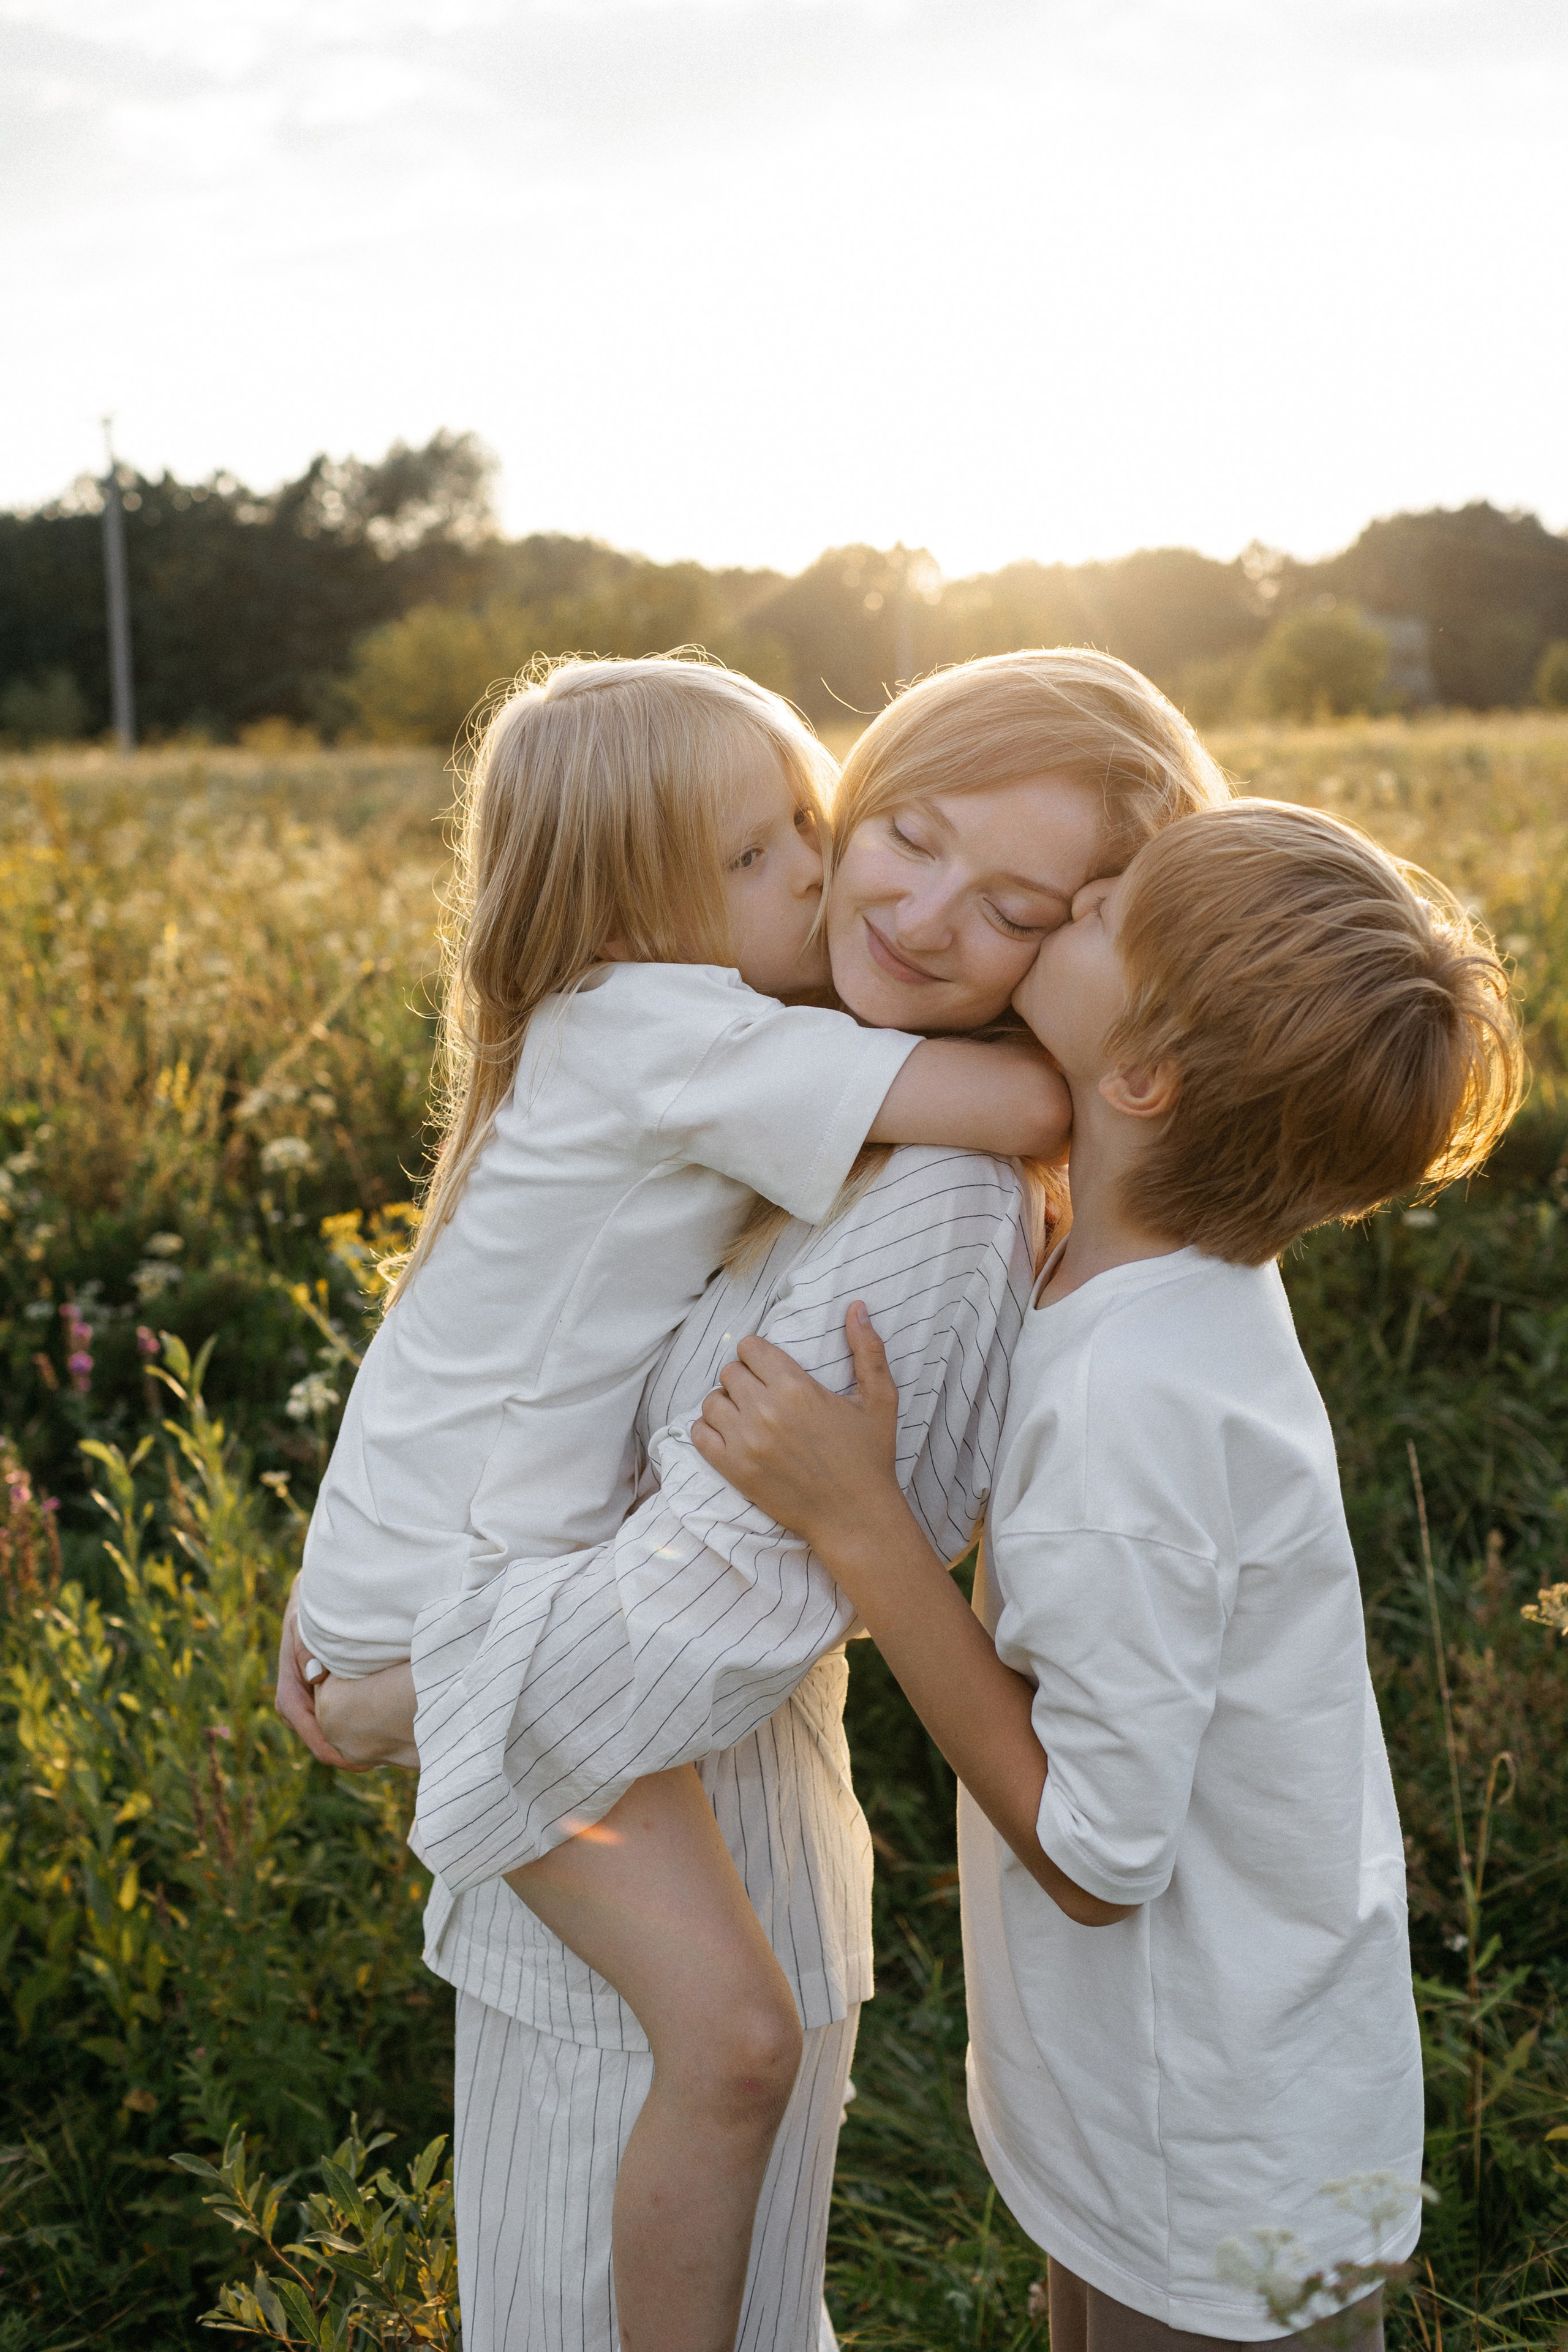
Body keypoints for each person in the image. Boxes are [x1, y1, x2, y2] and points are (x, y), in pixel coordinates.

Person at [275, 648, 1230, 2350]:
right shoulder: (712, 1044)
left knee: (727, 2052)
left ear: (1109, 935)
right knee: (718, 2061)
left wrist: (406, 1685)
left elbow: (708, 1589)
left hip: (544, 1712)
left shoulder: (901, 1172)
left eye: (1021, 905)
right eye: (886, 830)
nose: (870, 892)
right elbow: (1030, 1098)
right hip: (505, 1693)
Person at [689, 799, 1522, 2350]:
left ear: (1140, 1077)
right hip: (1201, 2105)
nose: (1067, 900)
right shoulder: (1168, 1286)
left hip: (1210, 2177)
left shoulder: (1129, 1405)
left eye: (1099, 913)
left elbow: (1093, 1852)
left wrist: (860, 1525)